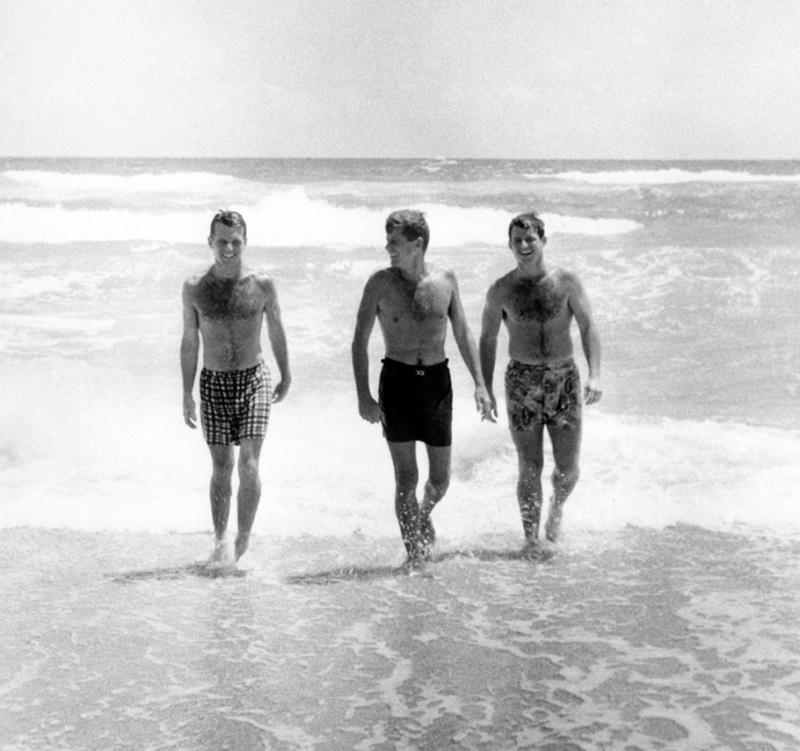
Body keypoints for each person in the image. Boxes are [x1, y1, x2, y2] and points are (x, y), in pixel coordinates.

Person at [352, 209, 493, 568]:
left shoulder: (445, 280)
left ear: (417, 244)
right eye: (387, 242)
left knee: (440, 480)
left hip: (435, 384)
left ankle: (423, 512)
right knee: (406, 478)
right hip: (396, 382)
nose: (388, 248)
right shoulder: (379, 284)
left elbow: (462, 332)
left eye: (394, 242)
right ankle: (415, 557)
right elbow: (359, 341)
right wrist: (363, 396)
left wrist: (480, 384)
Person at [480, 211, 601, 551]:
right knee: (529, 465)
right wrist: (485, 388)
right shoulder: (501, 290)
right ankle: (531, 540)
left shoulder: (567, 282)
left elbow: (589, 327)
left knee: (567, 469)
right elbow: (487, 339)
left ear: (543, 241)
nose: (523, 245)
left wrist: (596, 375)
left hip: (564, 378)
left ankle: (557, 507)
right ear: (509, 245)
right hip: (522, 380)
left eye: (530, 238)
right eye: (517, 240)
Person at [181, 210, 291, 565]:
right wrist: (186, 392)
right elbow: (189, 341)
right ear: (210, 241)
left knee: (249, 465)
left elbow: (275, 329)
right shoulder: (195, 287)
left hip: (253, 379)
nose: (229, 248)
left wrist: (286, 373)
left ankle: (242, 544)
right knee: (222, 467)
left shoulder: (262, 284)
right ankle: (219, 540)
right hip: (213, 382)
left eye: (236, 242)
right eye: (222, 241)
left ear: (245, 242)